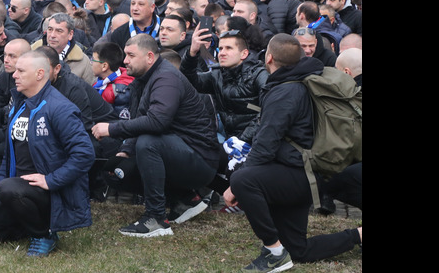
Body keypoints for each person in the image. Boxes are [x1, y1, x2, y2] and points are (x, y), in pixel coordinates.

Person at [226, 34, 362, 271]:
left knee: (243, 180)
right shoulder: (300, 80)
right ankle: (359, 235)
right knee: (298, 250)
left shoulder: (285, 91)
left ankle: (274, 252)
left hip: (299, 175)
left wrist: (235, 184)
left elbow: (265, 146)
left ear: (268, 57)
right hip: (303, 172)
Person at [0, 49, 95, 258]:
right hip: (15, 190)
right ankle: (25, 222)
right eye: (15, 71)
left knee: (9, 188)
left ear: (40, 74)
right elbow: (9, 154)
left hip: (50, 192)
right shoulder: (20, 103)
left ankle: (44, 234)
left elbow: (85, 154)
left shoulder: (60, 108)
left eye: (21, 71)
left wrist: (51, 180)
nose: (14, 75)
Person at [93, 34, 220, 237]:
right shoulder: (143, 79)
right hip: (178, 152)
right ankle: (184, 199)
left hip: (200, 158)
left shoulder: (166, 78)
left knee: (148, 143)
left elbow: (156, 122)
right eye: (125, 55)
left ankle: (156, 218)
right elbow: (140, 120)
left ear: (150, 57)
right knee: (116, 168)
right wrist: (125, 151)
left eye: (131, 55)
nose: (125, 61)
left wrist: (112, 129)